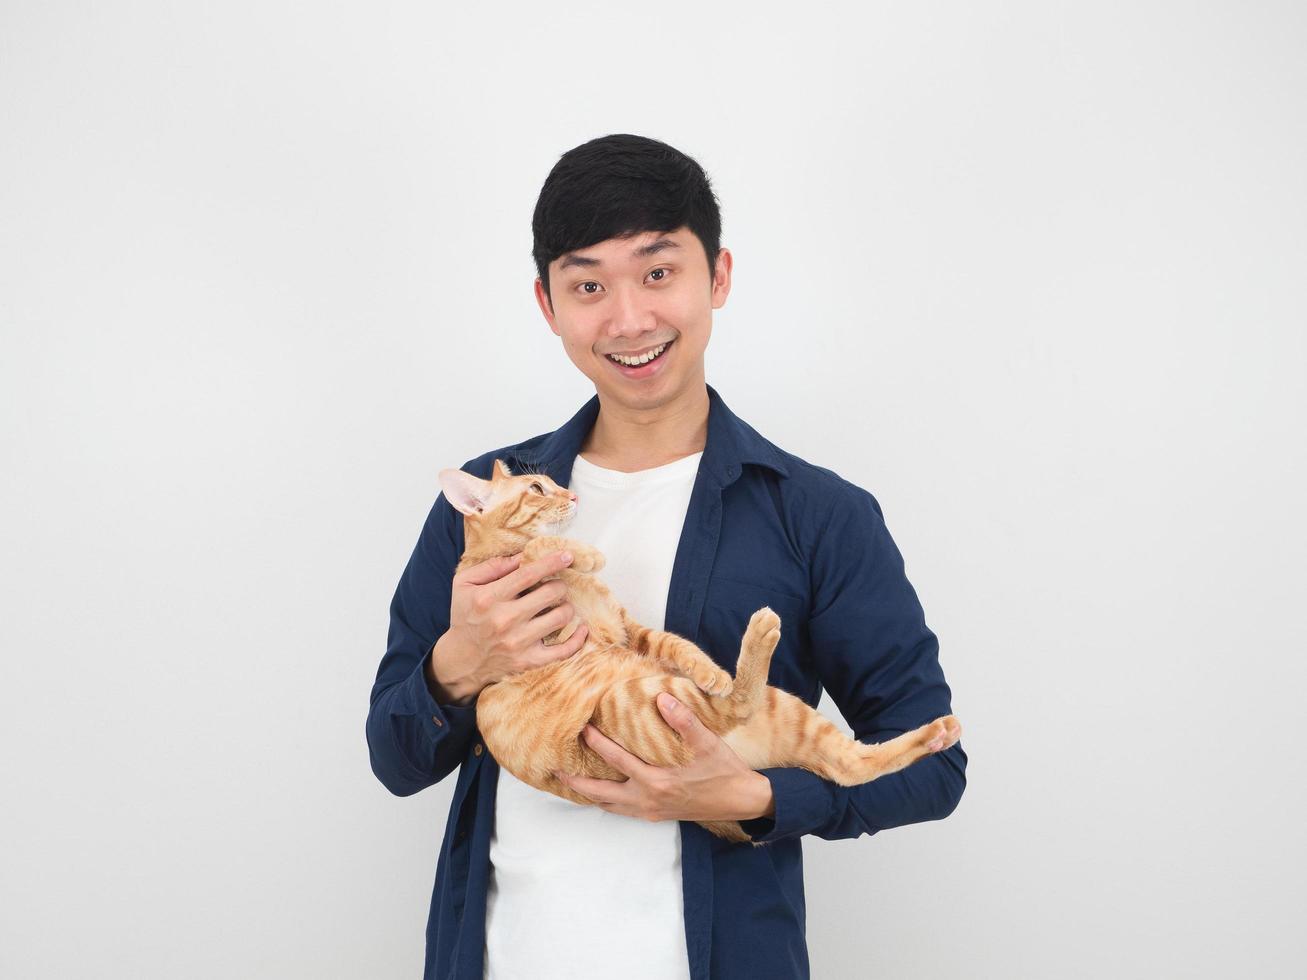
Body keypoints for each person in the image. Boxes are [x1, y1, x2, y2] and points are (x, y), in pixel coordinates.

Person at [365, 134, 967, 980]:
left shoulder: (818, 514)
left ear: (716, 277)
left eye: (657, 272)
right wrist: (461, 663)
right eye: (587, 286)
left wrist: (754, 799)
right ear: (547, 304)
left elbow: (932, 770)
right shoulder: (485, 508)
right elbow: (394, 757)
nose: (628, 319)